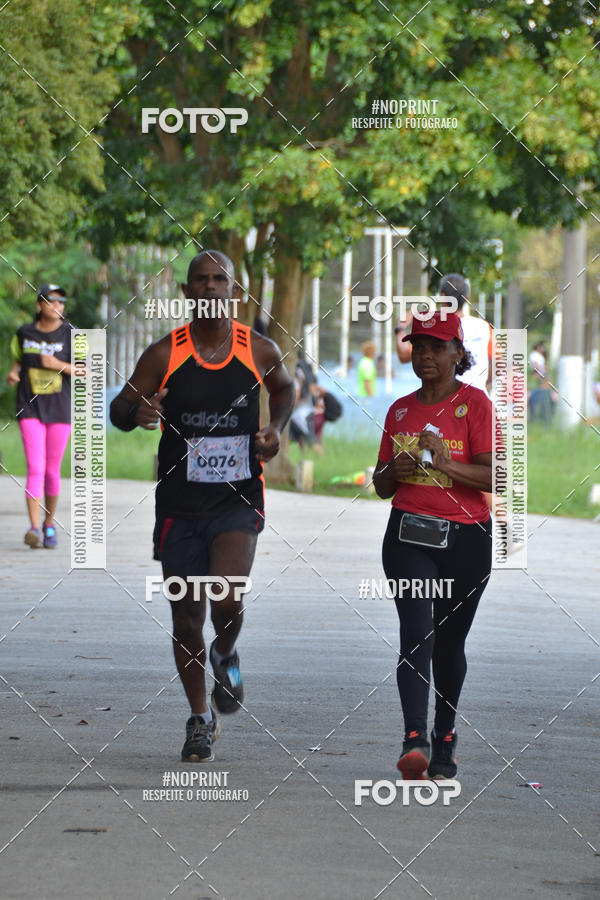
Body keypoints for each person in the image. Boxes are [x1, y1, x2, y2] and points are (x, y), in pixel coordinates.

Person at [109, 251, 295, 763]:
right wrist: (138, 411)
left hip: (237, 499)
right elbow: (119, 408)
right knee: (187, 618)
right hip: (178, 506)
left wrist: (274, 430)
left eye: (221, 280)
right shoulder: (163, 353)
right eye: (201, 281)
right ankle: (199, 717)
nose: (211, 288)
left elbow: (285, 388)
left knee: (227, 599)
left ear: (235, 291)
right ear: (187, 293)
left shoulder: (258, 348)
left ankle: (227, 650)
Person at [373, 311, 494, 781]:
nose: (425, 355)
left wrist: (445, 464)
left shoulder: (476, 405)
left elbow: (494, 476)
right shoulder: (400, 410)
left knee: (449, 643)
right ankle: (414, 738)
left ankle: (445, 734)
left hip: (466, 539)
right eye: (418, 346)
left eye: (437, 347)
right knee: (417, 631)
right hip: (408, 535)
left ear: (458, 354)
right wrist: (394, 470)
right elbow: (382, 484)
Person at [6, 284, 73, 549]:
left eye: (61, 300)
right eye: (51, 300)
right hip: (29, 406)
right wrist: (14, 373)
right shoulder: (24, 333)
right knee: (35, 467)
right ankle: (33, 528)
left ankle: (48, 523)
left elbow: (87, 372)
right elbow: (19, 362)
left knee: (51, 472)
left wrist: (58, 365)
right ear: (39, 305)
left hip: (59, 408)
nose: (57, 305)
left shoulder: (71, 334)